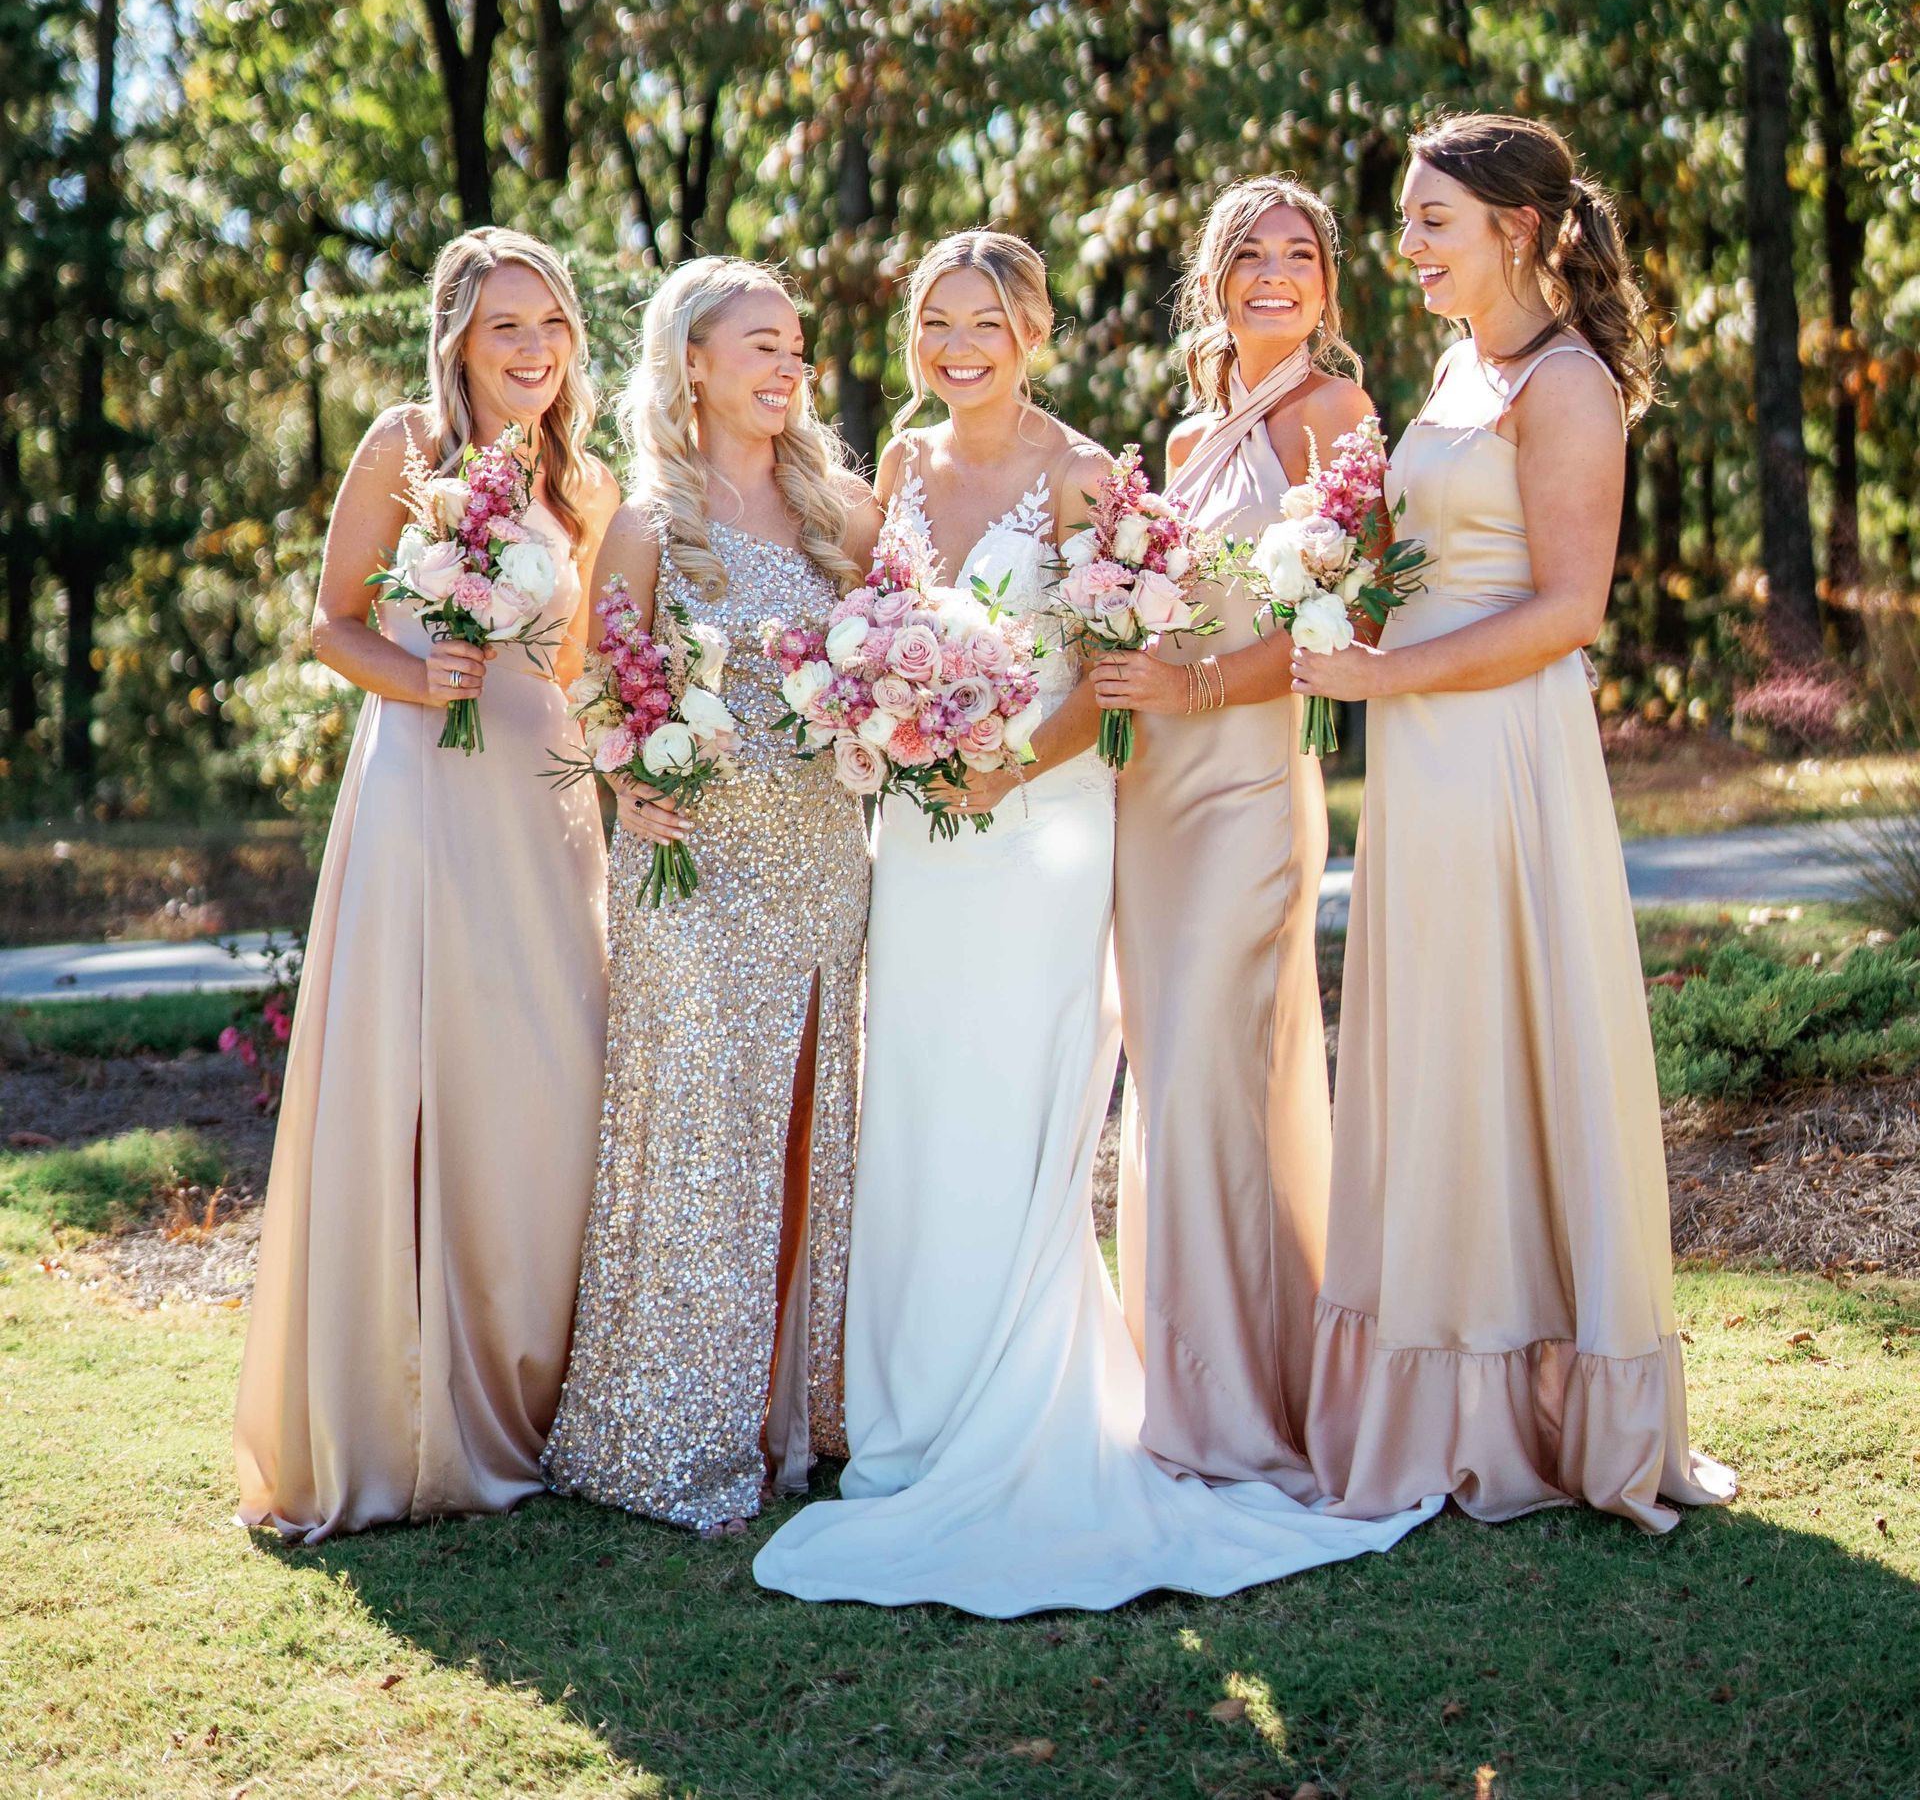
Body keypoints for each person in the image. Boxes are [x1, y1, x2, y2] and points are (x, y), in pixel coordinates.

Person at [754, 230, 1432, 1614]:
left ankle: (1023, 1400)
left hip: (1045, 827)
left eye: (985, 318)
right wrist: (891, 719)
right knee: (925, 1098)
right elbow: (875, 623)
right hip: (924, 839)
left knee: (1020, 1103)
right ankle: (917, 1413)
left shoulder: (1085, 475)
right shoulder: (898, 465)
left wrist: (1011, 756)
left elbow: (1115, 668)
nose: (958, 343)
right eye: (936, 320)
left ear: (1035, 331)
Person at [1291, 115, 1737, 1533]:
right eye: (1408, 221)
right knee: (1434, 1043)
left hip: (1499, 750)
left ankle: (1528, 1401)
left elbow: (1566, 611)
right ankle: (1436, 1381)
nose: (1408, 246)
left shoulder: (1567, 385)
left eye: (1434, 222)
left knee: (1504, 1034)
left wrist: (1383, 674)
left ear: (1522, 229)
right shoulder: (1455, 365)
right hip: (1421, 747)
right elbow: (1416, 555)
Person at [236, 228, 616, 1541]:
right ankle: (405, 1414)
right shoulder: (406, 444)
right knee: (420, 1067)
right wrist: (422, 674)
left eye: (552, 326)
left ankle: (538, 1393)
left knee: (549, 1074)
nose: (532, 350)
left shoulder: (585, 482)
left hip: (545, 799)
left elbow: (574, 661)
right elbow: (334, 619)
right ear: (457, 333)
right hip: (419, 790)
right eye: (507, 325)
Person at [542, 259, 882, 1533]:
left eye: (796, 345)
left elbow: (884, 659)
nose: (788, 365)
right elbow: (593, 685)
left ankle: (791, 1415)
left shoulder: (835, 511)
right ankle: (670, 1421)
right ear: (694, 361)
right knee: (695, 1129)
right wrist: (629, 780)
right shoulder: (645, 519)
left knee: (805, 1106)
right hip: (690, 861)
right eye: (761, 345)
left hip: (816, 850)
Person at [1094, 177, 1370, 1488]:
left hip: (1253, 788)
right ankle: (1184, 1368)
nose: (1275, 274)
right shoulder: (1188, 434)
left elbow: (1336, 633)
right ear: (1215, 278)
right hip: (1152, 794)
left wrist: (1194, 684)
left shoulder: (1340, 416)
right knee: (1175, 1081)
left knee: (1221, 1069)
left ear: (1327, 280)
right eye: (1250, 254)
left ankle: (1240, 1401)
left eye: (1299, 254)